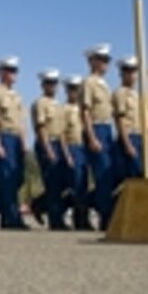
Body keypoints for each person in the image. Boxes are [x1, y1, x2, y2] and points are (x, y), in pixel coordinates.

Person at [0, 56, 28, 230]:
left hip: (16, 139)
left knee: (17, 178)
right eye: (10, 70)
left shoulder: (16, 96)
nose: (14, 74)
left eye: (15, 70)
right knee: (7, 180)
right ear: (1, 73)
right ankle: (11, 218)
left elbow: (21, 122)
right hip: (4, 137)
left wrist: (24, 143)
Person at [31, 69, 70, 230]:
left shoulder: (58, 105)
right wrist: (48, 150)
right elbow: (41, 128)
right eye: (49, 83)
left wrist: (65, 153)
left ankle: (39, 204)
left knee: (63, 182)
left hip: (58, 144)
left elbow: (61, 131)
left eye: (54, 83)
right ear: (42, 85)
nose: (52, 86)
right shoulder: (41, 103)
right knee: (52, 183)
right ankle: (56, 220)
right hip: (47, 143)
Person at [81, 44, 116, 230]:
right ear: (92, 61)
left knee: (108, 176)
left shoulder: (104, 84)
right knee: (101, 175)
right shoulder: (89, 83)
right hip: (96, 128)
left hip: (106, 128)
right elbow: (85, 111)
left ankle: (103, 211)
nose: (105, 63)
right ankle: (105, 217)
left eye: (107, 60)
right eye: (102, 59)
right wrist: (92, 136)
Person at [60, 76, 92, 230]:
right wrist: (67, 155)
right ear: (66, 91)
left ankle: (83, 218)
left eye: (77, 89)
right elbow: (62, 135)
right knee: (75, 186)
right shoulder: (64, 110)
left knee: (83, 185)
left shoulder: (83, 110)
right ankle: (78, 219)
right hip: (72, 147)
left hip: (83, 148)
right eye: (72, 89)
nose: (75, 92)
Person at [112, 56, 142, 184]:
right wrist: (127, 144)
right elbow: (120, 120)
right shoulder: (120, 93)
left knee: (140, 174)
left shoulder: (137, 95)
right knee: (130, 175)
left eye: (134, 71)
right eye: (128, 71)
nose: (132, 75)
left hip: (139, 136)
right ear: (122, 73)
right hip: (128, 136)